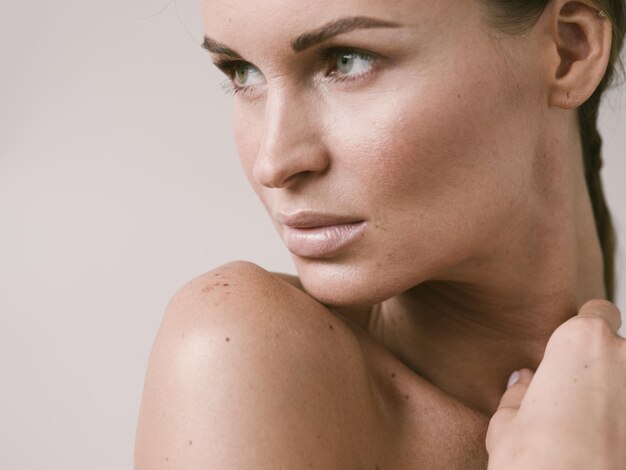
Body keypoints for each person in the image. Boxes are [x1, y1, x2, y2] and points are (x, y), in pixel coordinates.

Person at [134, 0, 626, 468]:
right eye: (243, 73)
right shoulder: (234, 349)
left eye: (347, 60)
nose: (274, 162)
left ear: (569, 50)